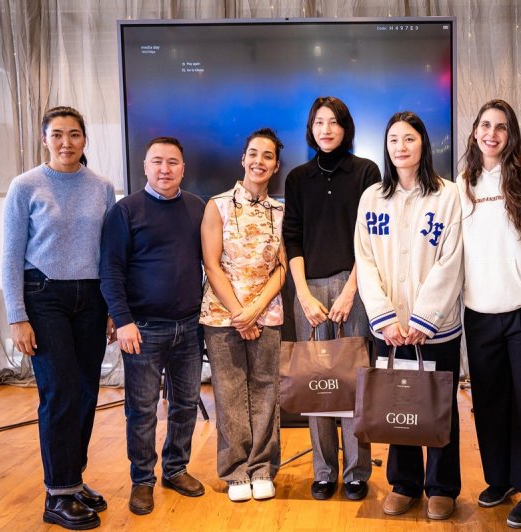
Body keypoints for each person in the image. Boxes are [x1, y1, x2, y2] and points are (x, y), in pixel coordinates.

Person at [2, 106, 115, 530]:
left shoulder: (102, 187)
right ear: (44, 139)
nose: (66, 142)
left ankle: (73, 479)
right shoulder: (25, 185)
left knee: (86, 391)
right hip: (43, 294)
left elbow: (107, 252)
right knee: (60, 391)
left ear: (85, 139)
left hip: (91, 297)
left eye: (74, 134)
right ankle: (57, 494)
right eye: (57, 135)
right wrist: (17, 316)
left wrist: (110, 308)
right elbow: (11, 255)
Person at [355, 111, 464, 521]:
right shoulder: (372, 198)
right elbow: (364, 260)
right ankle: (404, 483)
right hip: (389, 326)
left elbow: (451, 261)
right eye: (394, 140)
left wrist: (422, 320)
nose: (401, 147)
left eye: (410, 139)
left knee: (438, 404)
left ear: (424, 145)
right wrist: (384, 317)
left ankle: (441, 486)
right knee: (397, 400)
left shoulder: (448, 195)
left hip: (434, 329)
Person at [457, 99, 521, 528]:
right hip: (478, 314)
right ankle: (500, 479)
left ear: (511, 133)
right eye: (485, 125)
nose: (491, 134)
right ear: (475, 131)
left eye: (500, 127)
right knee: (490, 402)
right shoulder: (462, 184)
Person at [99, 137, 206, 516]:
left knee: (185, 405)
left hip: (190, 328)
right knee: (142, 410)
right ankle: (142, 479)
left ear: (183, 168)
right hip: (142, 329)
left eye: (173, 162)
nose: (165, 169)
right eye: (157, 161)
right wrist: (123, 320)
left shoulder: (197, 208)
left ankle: (175, 469)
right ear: (145, 166)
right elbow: (110, 271)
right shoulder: (125, 211)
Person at [283, 96, 380, 501]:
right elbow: (292, 236)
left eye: (334, 122)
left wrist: (350, 291)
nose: (326, 129)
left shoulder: (366, 172)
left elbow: (371, 238)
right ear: (311, 128)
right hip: (309, 289)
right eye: (319, 122)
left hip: (353, 285)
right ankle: (324, 471)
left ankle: (357, 471)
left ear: (345, 128)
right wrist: (302, 294)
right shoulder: (298, 177)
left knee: (356, 380)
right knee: (316, 381)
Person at [200, 128, 287, 502]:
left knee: (267, 390)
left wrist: (255, 310)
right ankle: (236, 472)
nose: (259, 161)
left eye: (267, 156)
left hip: (266, 315)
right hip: (223, 317)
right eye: (253, 153)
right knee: (230, 392)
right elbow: (211, 264)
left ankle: (262, 467)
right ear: (242, 159)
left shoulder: (282, 210)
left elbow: (282, 267)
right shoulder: (216, 205)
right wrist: (240, 313)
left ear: (276, 165)